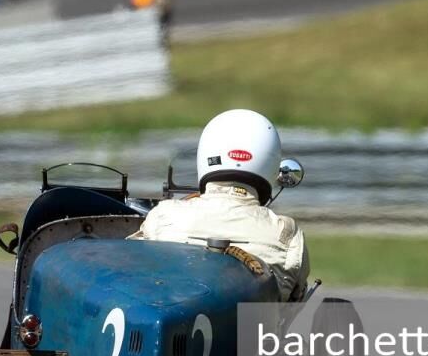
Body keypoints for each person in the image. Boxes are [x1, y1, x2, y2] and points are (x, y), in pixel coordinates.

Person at [130, 109, 309, 302]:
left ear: (206, 156)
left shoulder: (163, 216)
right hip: (253, 330)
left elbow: (130, 264)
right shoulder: (287, 235)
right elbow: (294, 299)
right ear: (271, 164)